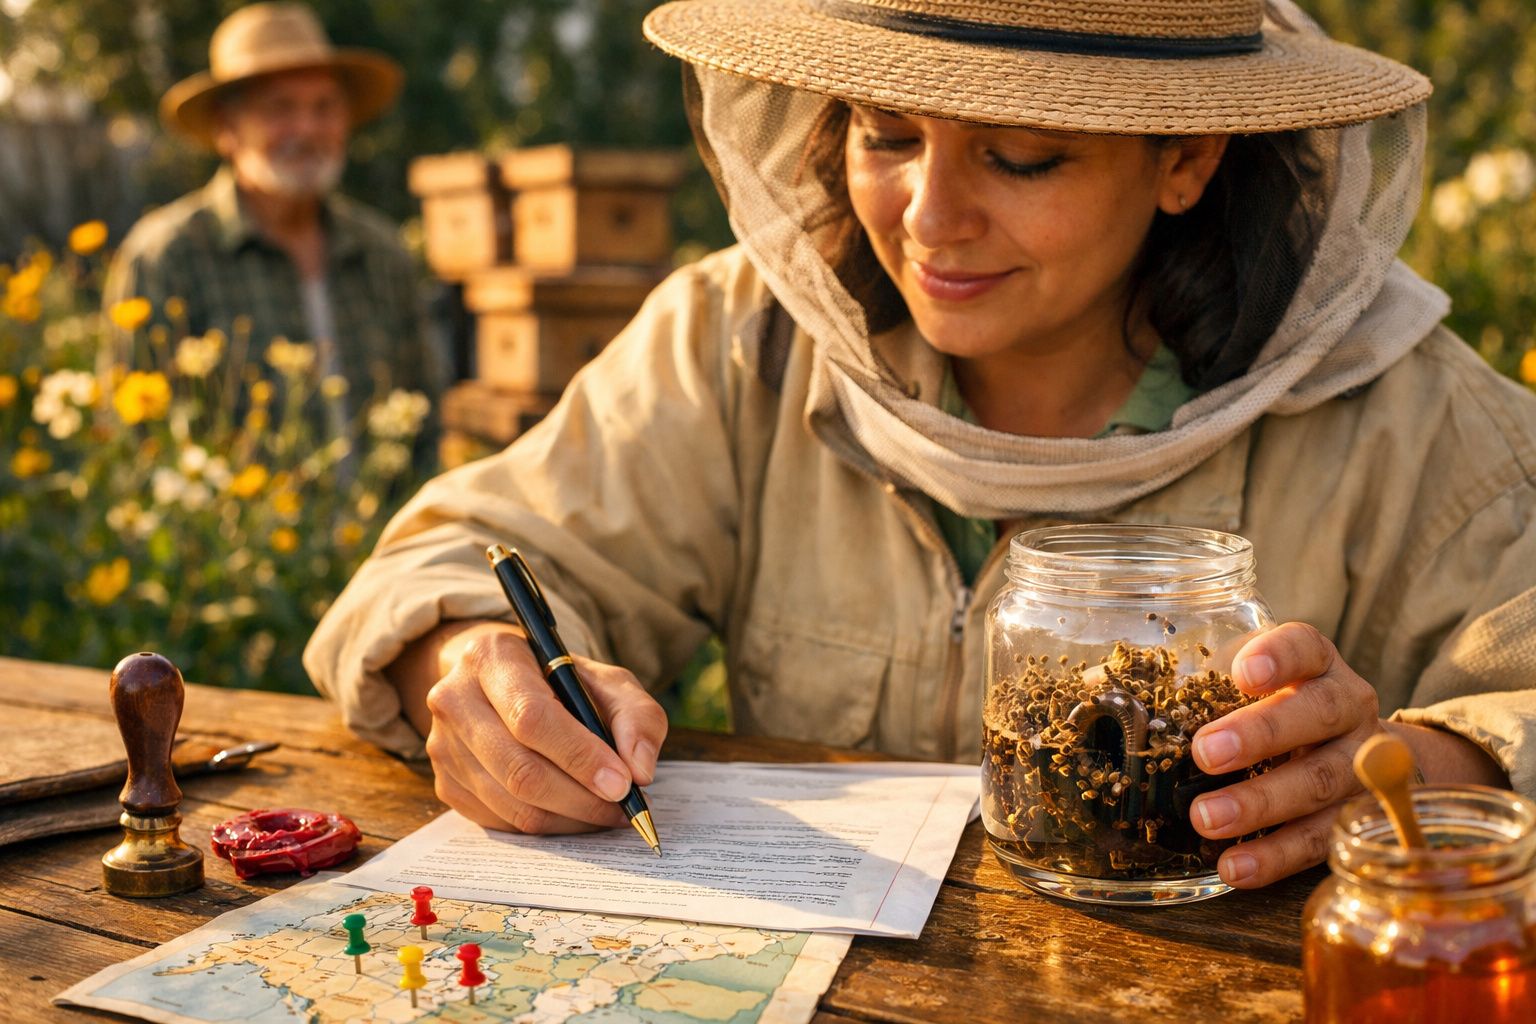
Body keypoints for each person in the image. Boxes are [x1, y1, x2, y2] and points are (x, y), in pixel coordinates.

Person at [305, 0, 1536, 891]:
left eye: (1020, 154)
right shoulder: (742, 341)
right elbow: (463, 553)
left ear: (1187, 158)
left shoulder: (1410, 417)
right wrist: (473, 667)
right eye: (888, 136)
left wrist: (1424, 766)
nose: (930, 219)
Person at [104, 2, 438, 409]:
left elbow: (425, 413)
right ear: (227, 128)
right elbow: (136, 432)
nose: (307, 128)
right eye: (280, 108)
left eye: (324, 106)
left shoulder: (384, 254)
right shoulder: (167, 257)